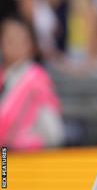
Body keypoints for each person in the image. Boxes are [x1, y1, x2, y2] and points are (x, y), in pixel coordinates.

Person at [0, 15, 64, 150]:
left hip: (23, 158)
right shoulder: (5, 76)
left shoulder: (36, 79)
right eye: (9, 38)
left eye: (20, 38)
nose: (14, 43)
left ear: (30, 44)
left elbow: (53, 134)